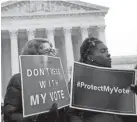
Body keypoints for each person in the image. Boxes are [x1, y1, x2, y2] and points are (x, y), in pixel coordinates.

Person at [67, 37, 136, 122]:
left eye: (107, 51)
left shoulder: (118, 79)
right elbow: (72, 114)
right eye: (103, 51)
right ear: (89, 57)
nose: (108, 54)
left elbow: (126, 113)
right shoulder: (77, 82)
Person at [4, 38, 65, 122]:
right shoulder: (18, 80)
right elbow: (10, 116)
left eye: (52, 51)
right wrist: (37, 118)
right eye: (47, 52)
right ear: (33, 56)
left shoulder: (56, 80)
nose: (51, 55)